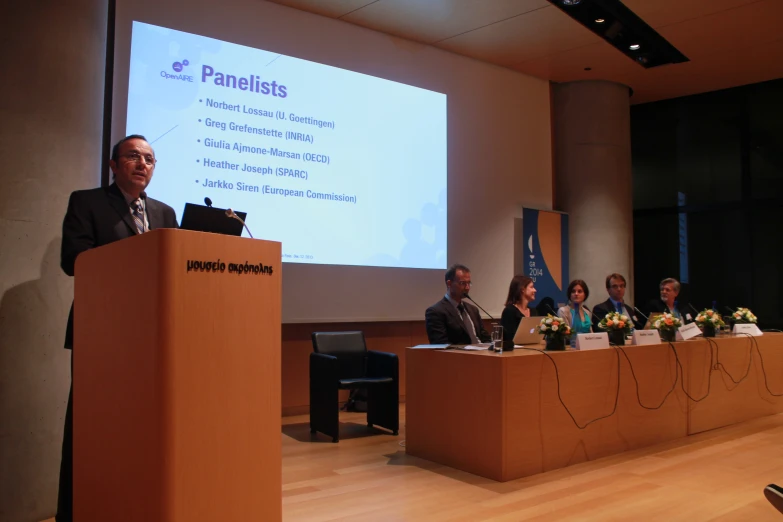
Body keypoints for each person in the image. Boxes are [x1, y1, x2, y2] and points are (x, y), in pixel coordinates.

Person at [57, 135, 178, 522]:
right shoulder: (87, 202)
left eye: (150, 159)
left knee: (143, 428)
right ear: (113, 166)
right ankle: (76, 510)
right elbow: (74, 260)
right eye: (133, 157)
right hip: (102, 333)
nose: (143, 164)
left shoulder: (164, 213)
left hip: (154, 336)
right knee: (90, 428)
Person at [425, 264, 491, 345]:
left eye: (469, 283)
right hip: (460, 356)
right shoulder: (435, 312)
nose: (467, 288)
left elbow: (485, 338)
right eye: (462, 283)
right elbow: (440, 344)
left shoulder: (473, 309)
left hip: (483, 354)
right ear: (449, 284)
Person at [500, 275, 538, 344]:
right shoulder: (509, 311)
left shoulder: (533, 311)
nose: (535, 290)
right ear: (522, 289)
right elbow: (508, 338)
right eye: (531, 287)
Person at [557, 279, 592, 345]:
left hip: (587, 346)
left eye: (579, 291)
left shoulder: (587, 312)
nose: (576, 294)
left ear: (585, 295)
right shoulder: (563, 311)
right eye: (573, 291)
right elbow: (566, 335)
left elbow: (591, 333)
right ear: (569, 294)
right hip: (571, 347)